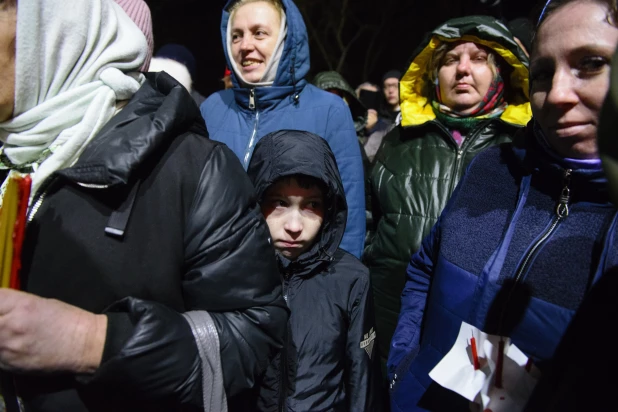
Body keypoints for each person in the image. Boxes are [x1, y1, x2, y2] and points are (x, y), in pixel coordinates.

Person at [0, 1, 287, 411]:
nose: (247, 46)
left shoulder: (194, 167)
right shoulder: (11, 160)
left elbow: (253, 339)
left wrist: (91, 342)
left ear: (50, 29)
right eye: (237, 34)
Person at [388, 0, 618, 410]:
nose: (559, 94)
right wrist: (404, 364)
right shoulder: (492, 167)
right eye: (544, 72)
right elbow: (424, 267)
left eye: (591, 63)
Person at [364, 15, 531, 375]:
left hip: (481, 344)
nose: (463, 70)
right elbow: (369, 218)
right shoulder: (397, 141)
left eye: (479, 58)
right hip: (391, 322)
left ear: (501, 71)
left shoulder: (525, 147)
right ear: (432, 72)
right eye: (451, 60)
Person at [200, 0, 366, 259]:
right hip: (214, 280)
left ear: (287, 39)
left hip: (297, 284)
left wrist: (337, 289)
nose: (245, 45)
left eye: (259, 33)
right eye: (236, 35)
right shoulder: (212, 108)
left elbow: (349, 217)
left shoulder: (329, 110)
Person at [247, 130, 381, 411]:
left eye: (312, 206)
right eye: (279, 203)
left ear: (330, 209)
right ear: (256, 201)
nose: (294, 226)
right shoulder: (234, 272)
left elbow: (362, 379)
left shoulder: (351, 279)